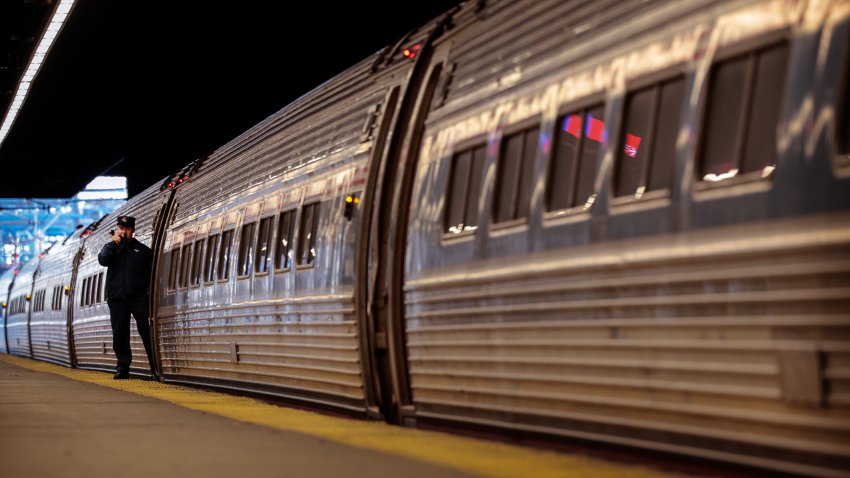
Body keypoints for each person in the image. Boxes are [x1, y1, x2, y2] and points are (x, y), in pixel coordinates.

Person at [97, 215, 157, 380]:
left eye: (127, 229)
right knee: (120, 333)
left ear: (133, 230)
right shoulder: (111, 248)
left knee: (146, 330)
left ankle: (155, 366)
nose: (124, 232)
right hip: (117, 298)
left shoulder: (143, 251)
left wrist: (146, 292)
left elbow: (150, 275)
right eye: (121, 229)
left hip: (138, 298)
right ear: (118, 229)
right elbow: (103, 260)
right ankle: (122, 368)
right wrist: (113, 243)